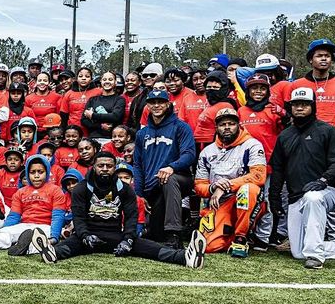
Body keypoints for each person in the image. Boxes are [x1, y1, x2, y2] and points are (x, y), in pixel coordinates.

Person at [30, 151, 205, 268]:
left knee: (149, 247)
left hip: (116, 236)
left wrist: (128, 240)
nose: (105, 169)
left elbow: (131, 218)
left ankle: (185, 258)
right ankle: (52, 253)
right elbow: (78, 218)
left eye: (109, 166)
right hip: (88, 236)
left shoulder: (125, 189)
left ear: (114, 168)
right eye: (101, 166)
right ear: (94, 167)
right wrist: (85, 236)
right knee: (69, 246)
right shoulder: (81, 189)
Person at [268, 87, 335, 269]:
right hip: (296, 196)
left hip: (326, 192)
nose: (300, 108)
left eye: (305, 104)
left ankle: (316, 256)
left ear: (313, 106)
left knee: (313, 198)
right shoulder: (285, 135)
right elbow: (278, 169)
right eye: (296, 105)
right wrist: (274, 196)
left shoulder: (328, 131)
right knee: (298, 252)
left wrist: (323, 180)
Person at [194, 108, 267, 257]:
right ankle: (230, 234)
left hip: (246, 199)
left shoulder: (252, 145)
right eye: (223, 124)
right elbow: (199, 186)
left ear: (239, 125)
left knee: (248, 190)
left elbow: (258, 176)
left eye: (231, 124)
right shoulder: (207, 152)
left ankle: (241, 238)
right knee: (209, 246)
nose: (227, 127)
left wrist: (225, 186)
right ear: (216, 127)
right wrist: (213, 187)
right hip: (219, 203)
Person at [131, 85, 196, 246]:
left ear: (168, 104)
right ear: (148, 105)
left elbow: (189, 154)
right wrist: (139, 194)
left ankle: (174, 233)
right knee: (156, 234)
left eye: (160, 102)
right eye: (153, 102)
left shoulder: (180, 127)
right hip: (153, 187)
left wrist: (172, 167)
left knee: (169, 179)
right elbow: (137, 165)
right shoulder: (142, 134)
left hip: (179, 178)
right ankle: (159, 230)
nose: (156, 105)